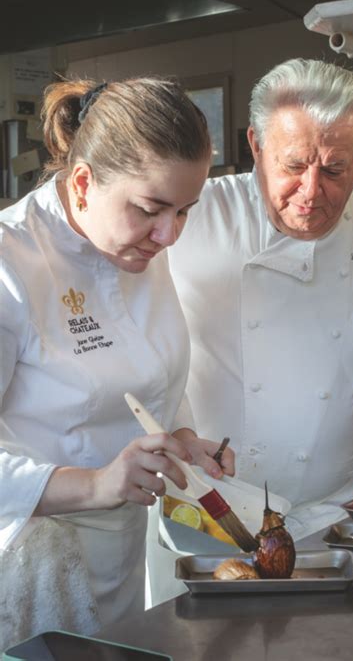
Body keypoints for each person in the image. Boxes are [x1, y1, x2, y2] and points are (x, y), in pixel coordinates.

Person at [169, 58, 353, 517]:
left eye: (335, 170)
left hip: (339, 511)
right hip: (209, 508)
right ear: (256, 144)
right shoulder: (189, 216)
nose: (311, 191)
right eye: (294, 165)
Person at [0, 76, 233, 648]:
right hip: (25, 571)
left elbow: (152, 376)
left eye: (184, 211)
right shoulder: (11, 264)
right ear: (83, 183)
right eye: (153, 209)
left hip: (120, 567)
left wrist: (178, 436)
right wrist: (99, 482)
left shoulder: (136, 247)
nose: (169, 235)